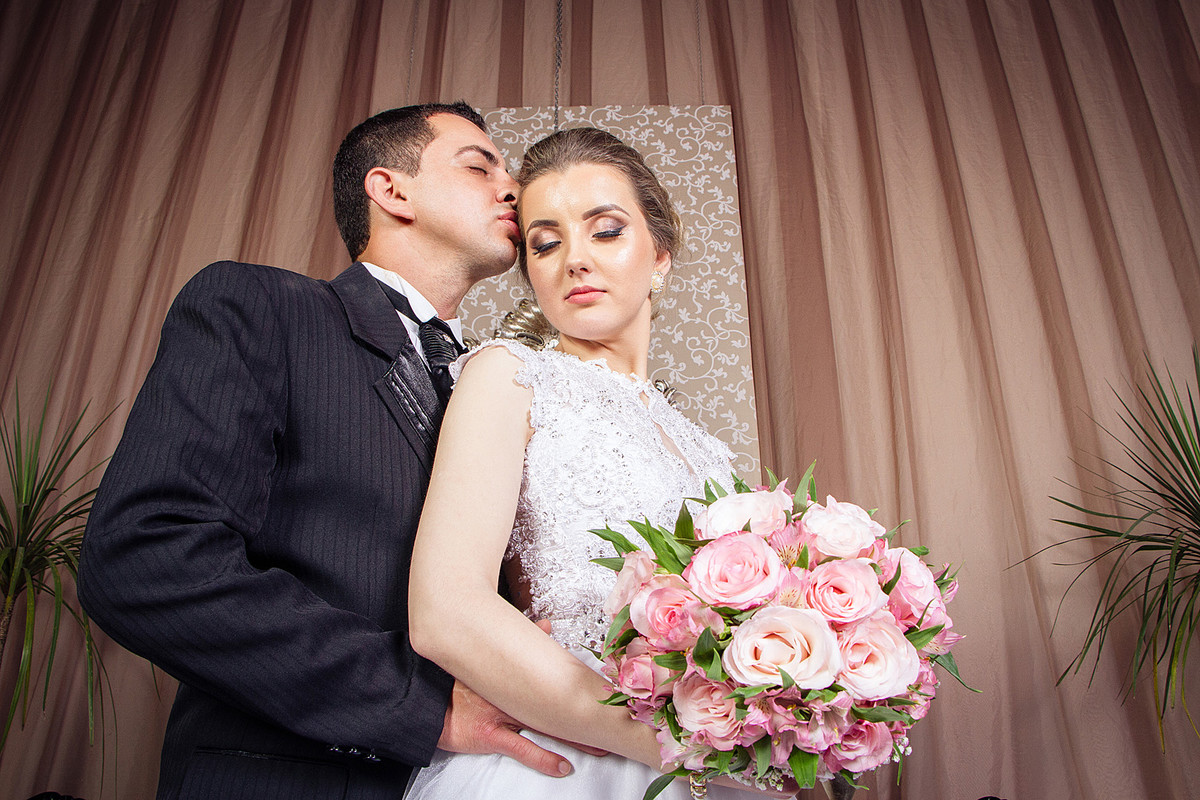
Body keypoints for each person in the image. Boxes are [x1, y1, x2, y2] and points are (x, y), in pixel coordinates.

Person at [77, 102, 581, 800]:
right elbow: (145, 558)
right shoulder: (261, 307)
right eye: (479, 165)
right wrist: (421, 707)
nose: (513, 190)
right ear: (390, 189)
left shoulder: (508, 382)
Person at [406, 127, 768, 799]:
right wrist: (665, 740)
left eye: (605, 231)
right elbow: (444, 611)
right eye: (546, 242)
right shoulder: (507, 375)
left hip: (708, 765)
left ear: (659, 255)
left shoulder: (706, 447)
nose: (574, 259)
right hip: (568, 760)